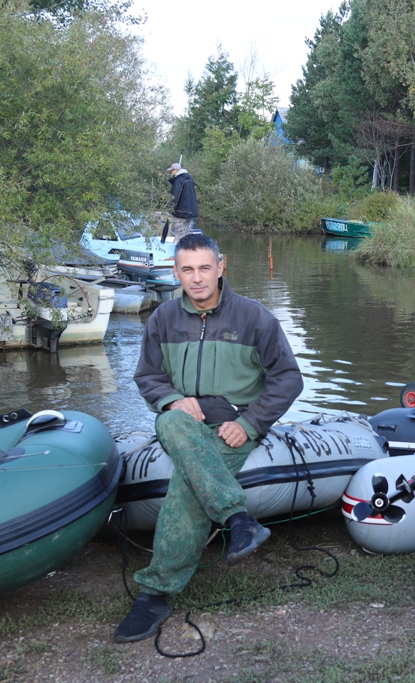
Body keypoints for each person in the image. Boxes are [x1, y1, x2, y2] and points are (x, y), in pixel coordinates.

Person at [114, 233, 304, 643]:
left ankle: (155, 594)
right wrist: (172, 400)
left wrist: (249, 423)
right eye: (187, 269)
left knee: (186, 488)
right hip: (182, 423)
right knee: (170, 423)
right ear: (175, 272)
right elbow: (147, 376)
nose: (197, 278)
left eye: (204, 267)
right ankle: (238, 518)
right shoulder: (163, 319)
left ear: (221, 266)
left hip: (232, 427)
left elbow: (288, 378)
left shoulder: (255, 318)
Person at [167, 162, 198, 241]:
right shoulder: (190, 179)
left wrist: (171, 208)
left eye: (172, 170)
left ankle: (179, 247)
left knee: (179, 234)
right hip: (191, 211)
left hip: (181, 211)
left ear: (175, 170)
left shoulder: (178, 180)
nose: (171, 172)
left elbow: (175, 195)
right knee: (187, 234)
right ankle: (186, 247)